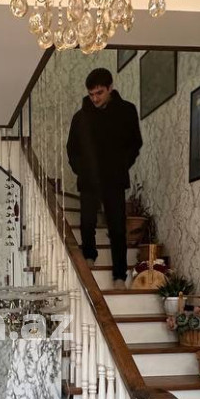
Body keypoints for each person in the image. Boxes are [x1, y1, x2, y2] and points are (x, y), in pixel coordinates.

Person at [65, 67, 143, 288]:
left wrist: (122, 165)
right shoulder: (80, 117)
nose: (95, 98)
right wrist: (82, 169)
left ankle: (119, 275)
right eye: (91, 94)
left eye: (99, 93)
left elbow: (135, 143)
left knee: (117, 227)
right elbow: (72, 149)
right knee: (87, 221)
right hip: (88, 178)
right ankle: (89, 254)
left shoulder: (127, 111)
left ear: (110, 88)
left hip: (114, 178)